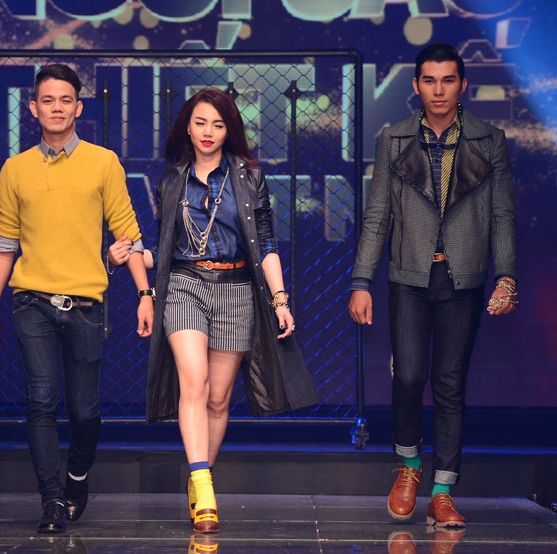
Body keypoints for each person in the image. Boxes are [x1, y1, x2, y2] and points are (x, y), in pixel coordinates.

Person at [110, 88, 318, 533]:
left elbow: (266, 244)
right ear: (188, 127)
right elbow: (166, 249)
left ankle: (198, 473)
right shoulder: (171, 182)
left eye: (218, 125)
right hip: (184, 285)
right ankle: (204, 486)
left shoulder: (249, 177)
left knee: (219, 398)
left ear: (229, 131)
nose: (208, 132)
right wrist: (129, 256)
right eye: (201, 122)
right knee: (194, 381)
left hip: (236, 288)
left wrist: (280, 300)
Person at [0, 63, 153, 534]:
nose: (57, 108)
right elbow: (3, 244)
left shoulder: (103, 162)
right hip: (31, 301)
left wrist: (144, 293)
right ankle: (51, 500)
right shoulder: (15, 169)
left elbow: (128, 232)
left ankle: (76, 476)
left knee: (84, 411)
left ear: (78, 107)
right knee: (40, 400)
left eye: (65, 100)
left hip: (86, 306)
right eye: (48, 100)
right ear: (33, 108)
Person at [349, 42, 517, 528]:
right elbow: (377, 215)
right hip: (409, 275)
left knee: (449, 384)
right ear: (416, 85)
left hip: (462, 277)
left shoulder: (489, 140)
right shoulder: (394, 138)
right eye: (429, 80)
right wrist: (361, 280)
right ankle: (408, 465)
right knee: (408, 376)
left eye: (447, 80)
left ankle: (442, 491)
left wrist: (506, 276)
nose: (438, 90)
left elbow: (502, 215)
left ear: (462, 84)